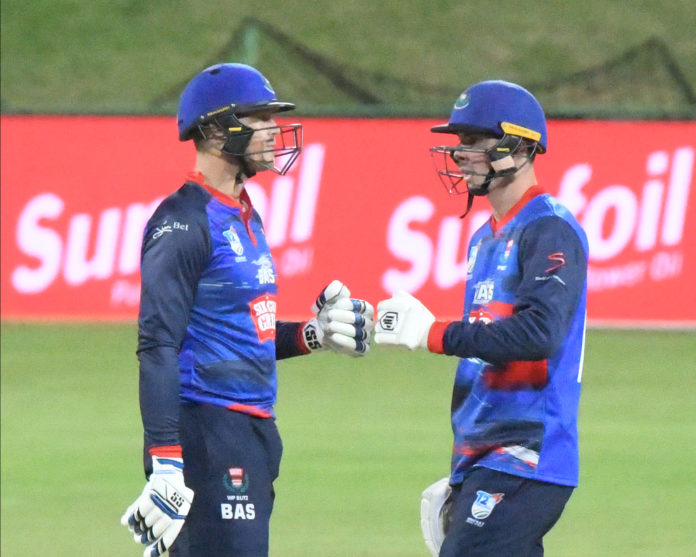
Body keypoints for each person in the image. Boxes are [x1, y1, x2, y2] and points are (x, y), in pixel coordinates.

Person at [120, 62, 374, 557]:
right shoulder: (183, 223)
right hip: (208, 432)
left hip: (252, 431)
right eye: (258, 118)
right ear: (216, 130)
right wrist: (167, 462)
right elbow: (158, 346)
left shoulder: (244, 213)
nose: (274, 130)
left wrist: (312, 335)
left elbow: (241, 333)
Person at [375, 80, 588, 556]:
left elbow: (539, 333)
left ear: (518, 144)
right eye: (459, 143)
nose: (459, 154)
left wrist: (434, 333)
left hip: (528, 456)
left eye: (473, 142)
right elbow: (490, 348)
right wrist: (463, 469)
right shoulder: (485, 239)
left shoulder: (548, 227)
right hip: (486, 459)